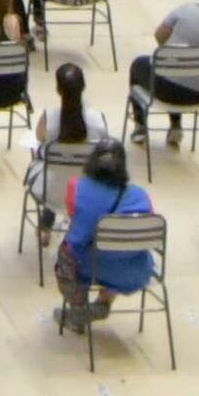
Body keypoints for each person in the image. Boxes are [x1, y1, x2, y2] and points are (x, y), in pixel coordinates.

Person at [54, 136, 154, 325]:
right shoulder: (141, 195)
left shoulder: (77, 186)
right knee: (119, 249)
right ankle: (104, 302)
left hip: (89, 268)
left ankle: (78, 309)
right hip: (136, 271)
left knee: (67, 251)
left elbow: (74, 220)